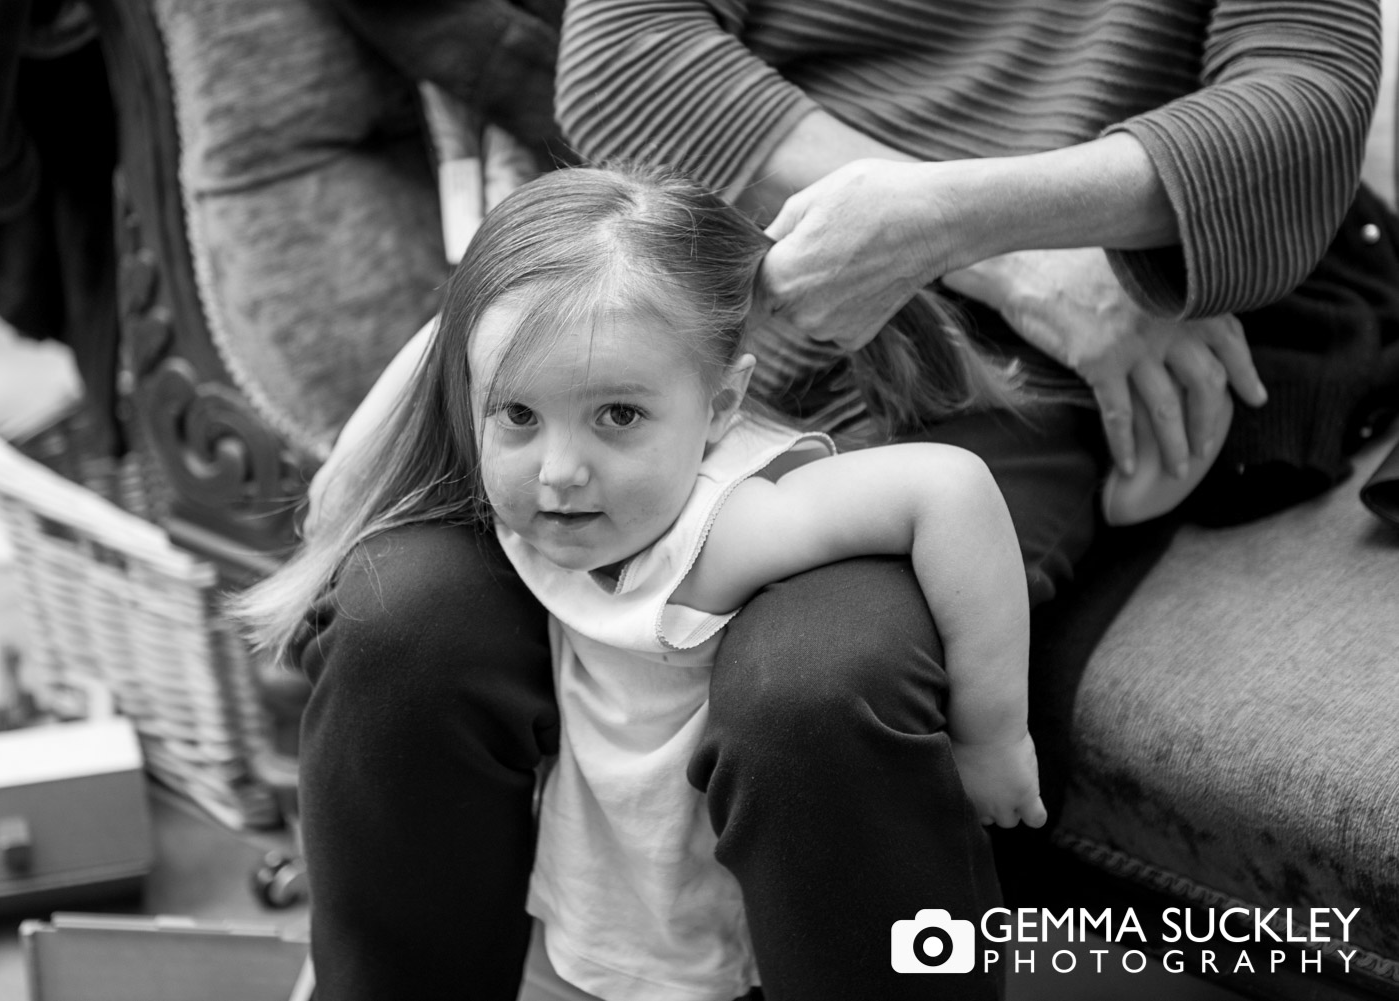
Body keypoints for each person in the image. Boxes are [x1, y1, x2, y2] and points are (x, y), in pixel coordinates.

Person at [273, 3, 1381, 999]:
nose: (553, 473)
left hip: (1010, 375)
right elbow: (624, 57)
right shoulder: (576, 407)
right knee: (399, 624)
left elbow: (1303, 110)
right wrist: (984, 255)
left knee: (816, 686)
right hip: (687, 311)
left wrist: (967, 222)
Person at [243, 161, 1054, 999]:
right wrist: (477, 304)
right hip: (602, 908)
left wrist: (993, 733)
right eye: (518, 413)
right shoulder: (530, 497)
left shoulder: (721, 532)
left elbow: (950, 489)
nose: (560, 471)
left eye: (618, 416)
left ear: (723, 406)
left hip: (725, 920)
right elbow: (344, 488)